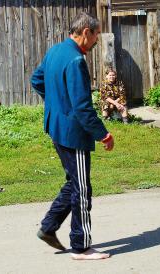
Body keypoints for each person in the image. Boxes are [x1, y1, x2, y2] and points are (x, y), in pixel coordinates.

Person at [31, 11, 114, 260]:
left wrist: (54, 104)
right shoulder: (76, 60)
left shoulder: (55, 50)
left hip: (56, 127)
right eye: (96, 34)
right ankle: (81, 246)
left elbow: (36, 81)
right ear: (86, 32)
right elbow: (82, 107)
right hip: (73, 133)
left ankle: (48, 227)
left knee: (74, 182)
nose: (97, 40)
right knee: (81, 189)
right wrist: (103, 134)